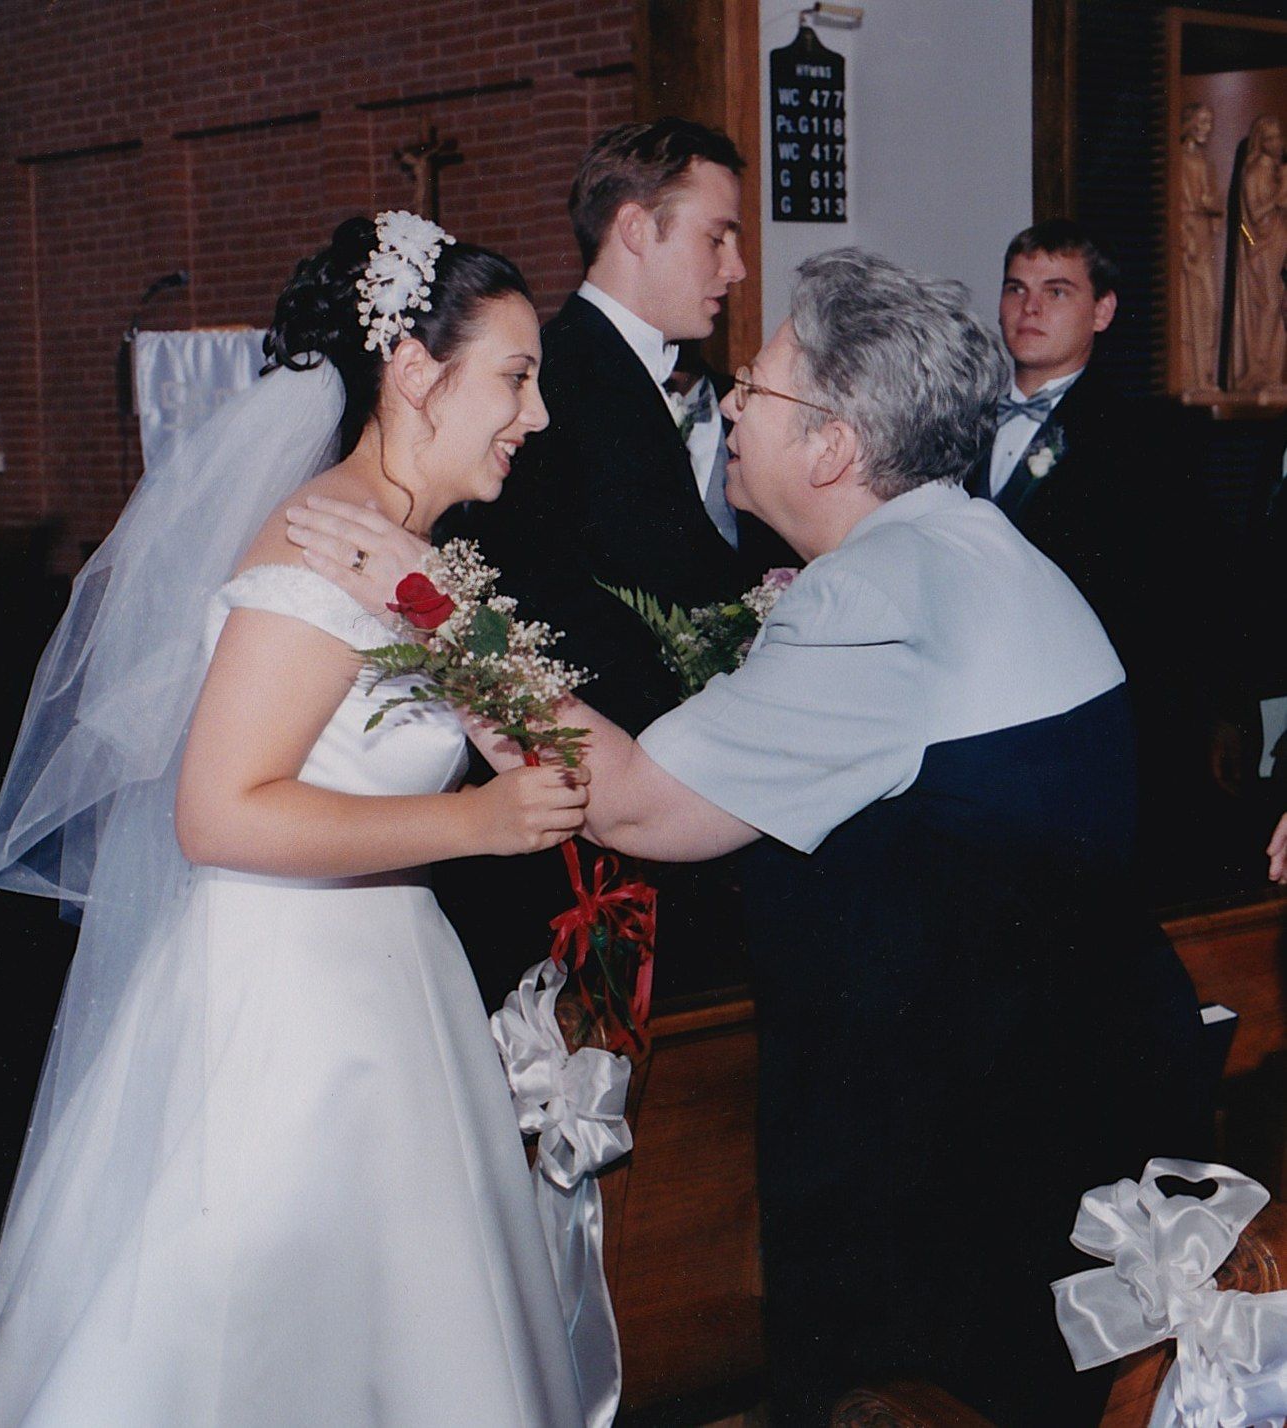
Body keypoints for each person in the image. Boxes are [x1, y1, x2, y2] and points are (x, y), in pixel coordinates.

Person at [298, 249, 1212, 1428]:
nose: (727, 402)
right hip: (1079, 1095)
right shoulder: (981, 546)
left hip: (950, 1165)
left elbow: (623, 802)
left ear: (831, 446)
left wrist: (429, 607)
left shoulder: (866, 601)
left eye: (759, 387)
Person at [0, 215, 592, 1427]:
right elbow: (218, 815)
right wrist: (478, 825)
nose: (533, 417)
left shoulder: (400, 552)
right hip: (295, 1009)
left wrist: (455, 642)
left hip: (382, 984)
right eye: (516, 378)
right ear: (417, 375)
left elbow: (527, 744)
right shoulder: (314, 553)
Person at [295, 118, 782, 1007]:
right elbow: (538, 613)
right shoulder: (344, 527)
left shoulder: (669, 388)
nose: (539, 412)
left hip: (591, 833)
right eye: (719, 235)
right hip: (535, 869)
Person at [967, 218, 1231, 899]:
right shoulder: (955, 424)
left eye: (1056, 291)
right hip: (974, 732)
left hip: (1088, 730)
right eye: (1016, 288)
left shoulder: (1145, 441)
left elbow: (1179, 611)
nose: (1029, 309)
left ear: (1103, 310)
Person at [1230, 114, 1287, 396]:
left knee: (1277, 309)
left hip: (1276, 246)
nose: (1279, 143)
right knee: (1267, 307)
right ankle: (1257, 373)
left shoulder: (1275, 171)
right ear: (1260, 142)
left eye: (1280, 137)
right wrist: (1279, 197)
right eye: (1272, 138)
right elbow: (1254, 215)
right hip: (1260, 248)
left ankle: (1272, 374)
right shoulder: (1256, 172)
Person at [1179, 102, 1224, 394]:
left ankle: (1205, 375)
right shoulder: (1181, 160)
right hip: (1191, 234)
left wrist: (1214, 209)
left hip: (1205, 235)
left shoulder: (1205, 161)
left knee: (1208, 306)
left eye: (1210, 122)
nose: (1206, 128)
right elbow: (1182, 204)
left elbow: (1214, 202)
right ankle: (1191, 378)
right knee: (1192, 305)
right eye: (1202, 121)